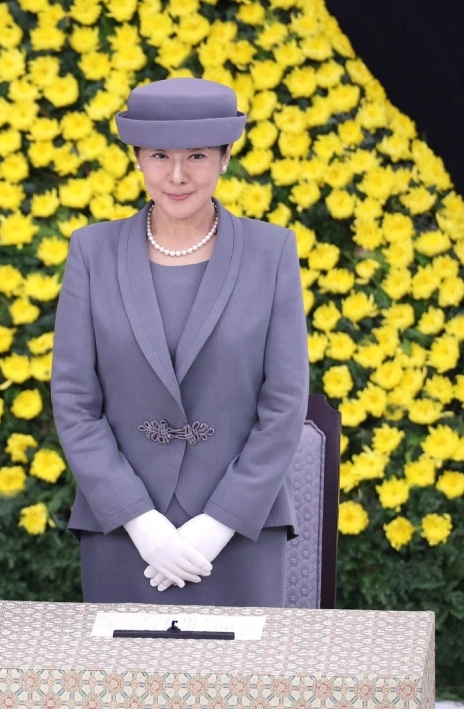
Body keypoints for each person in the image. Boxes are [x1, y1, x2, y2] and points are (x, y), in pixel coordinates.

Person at [51, 78, 309, 607]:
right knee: (124, 688)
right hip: (122, 532)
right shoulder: (91, 251)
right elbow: (75, 402)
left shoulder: (272, 251)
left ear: (225, 157)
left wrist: (217, 524)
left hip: (241, 533)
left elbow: (284, 404)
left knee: (239, 689)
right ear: (138, 160)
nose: (175, 175)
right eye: (158, 155)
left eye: (196, 155)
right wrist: (141, 521)